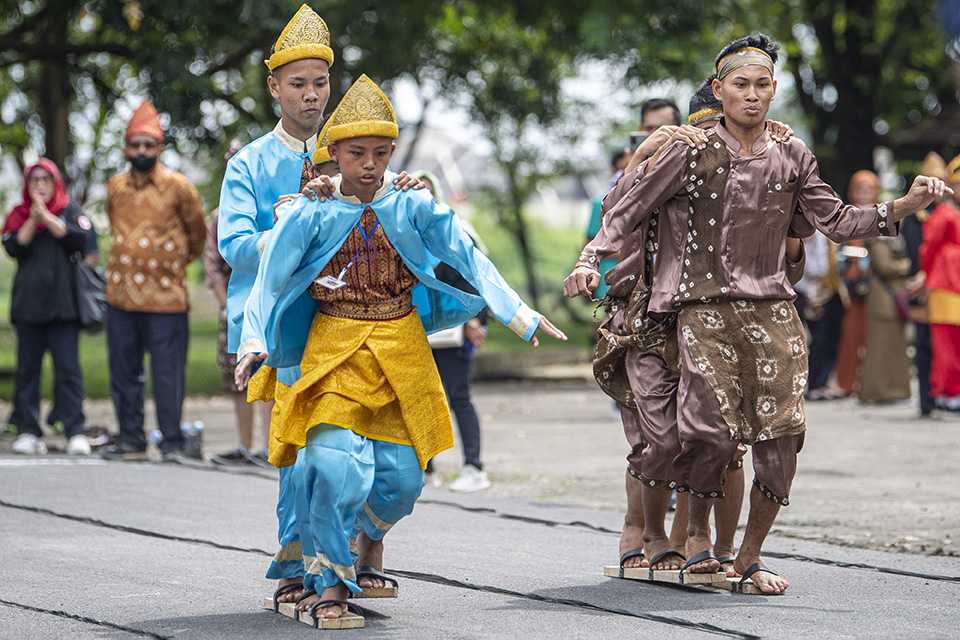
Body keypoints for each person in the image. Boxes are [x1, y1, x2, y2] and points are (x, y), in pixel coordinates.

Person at [564, 32, 950, 594]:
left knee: (782, 442)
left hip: (773, 311)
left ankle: (746, 558)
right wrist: (588, 259)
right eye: (739, 84)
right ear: (719, 90)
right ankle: (685, 541)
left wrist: (906, 205)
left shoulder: (793, 153)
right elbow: (623, 211)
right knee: (705, 434)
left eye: (762, 84)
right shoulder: (686, 150)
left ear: (774, 91)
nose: (751, 94)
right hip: (699, 311)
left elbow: (838, 222)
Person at [234, 74, 565, 627]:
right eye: (356, 153)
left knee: (403, 482)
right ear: (332, 153)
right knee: (333, 465)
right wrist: (253, 342)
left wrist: (518, 312)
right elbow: (269, 277)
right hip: (333, 350)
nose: (369, 163)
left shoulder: (411, 204)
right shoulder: (310, 210)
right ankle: (331, 586)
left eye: (380, 153)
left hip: (402, 353)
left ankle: (369, 542)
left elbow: (465, 251)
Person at [587, 75, 802, 579]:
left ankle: (709, 546)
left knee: (717, 441)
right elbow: (612, 221)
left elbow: (786, 254)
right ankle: (643, 531)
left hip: (716, 318)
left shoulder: (759, 161)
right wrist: (646, 159)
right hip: (646, 319)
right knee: (659, 441)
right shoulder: (663, 163)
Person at [98, 101, 206, 462]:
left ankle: (171, 442)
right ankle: (131, 440)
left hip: (166, 298)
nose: (142, 151)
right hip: (122, 296)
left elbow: (197, 235)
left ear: (159, 148)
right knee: (123, 371)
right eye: (135, 145)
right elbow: (115, 226)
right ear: (126, 148)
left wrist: (171, 263)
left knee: (167, 374)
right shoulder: (115, 187)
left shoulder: (180, 188)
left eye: (149, 145)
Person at [3, 159, 91, 456]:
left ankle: (74, 429)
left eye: (45, 180)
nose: (40, 185)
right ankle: (29, 429)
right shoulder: (18, 214)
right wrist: (33, 216)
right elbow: (14, 246)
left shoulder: (70, 211)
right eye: (34, 180)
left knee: (68, 371)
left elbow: (79, 240)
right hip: (29, 308)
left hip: (63, 309)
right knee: (28, 372)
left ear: (55, 183)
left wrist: (48, 217)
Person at [415, 170, 491, 492]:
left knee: (459, 396)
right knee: (420, 399)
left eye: (427, 192)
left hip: (453, 331)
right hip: (415, 331)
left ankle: (473, 466)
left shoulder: (456, 230)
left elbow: (478, 276)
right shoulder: (402, 233)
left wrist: (476, 319)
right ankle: (425, 467)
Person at [205, 144, 271, 466]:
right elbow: (213, 267)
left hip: (269, 303)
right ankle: (245, 446)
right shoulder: (219, 217)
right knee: (239, 380)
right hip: (234, 307)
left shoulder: (269, 208)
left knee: (270, 374)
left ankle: (273, 448)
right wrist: (227, 307)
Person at [902, 152, 946, 417]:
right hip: (922, 285)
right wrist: (921, 274)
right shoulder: (915, 215)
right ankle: (926, 401)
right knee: (923, 342)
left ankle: (943, 394)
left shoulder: (949, 212)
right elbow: (913, 250)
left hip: (944, 286)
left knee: (945, 343)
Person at [834, 172, 879, 396]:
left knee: (872, 335)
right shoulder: (846, 215)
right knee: (849, 335)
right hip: (850, 283)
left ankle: (869, 382)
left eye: (869, 188)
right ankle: (847, 382)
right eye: (860, 188)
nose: (864, 193)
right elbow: (837, 251)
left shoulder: (883, 215)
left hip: (874, 284)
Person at [921, 154, 960, 410]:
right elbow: (929, 250)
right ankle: (949, 392)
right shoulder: (944, 214)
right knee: (946, 342)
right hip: (946, 282)